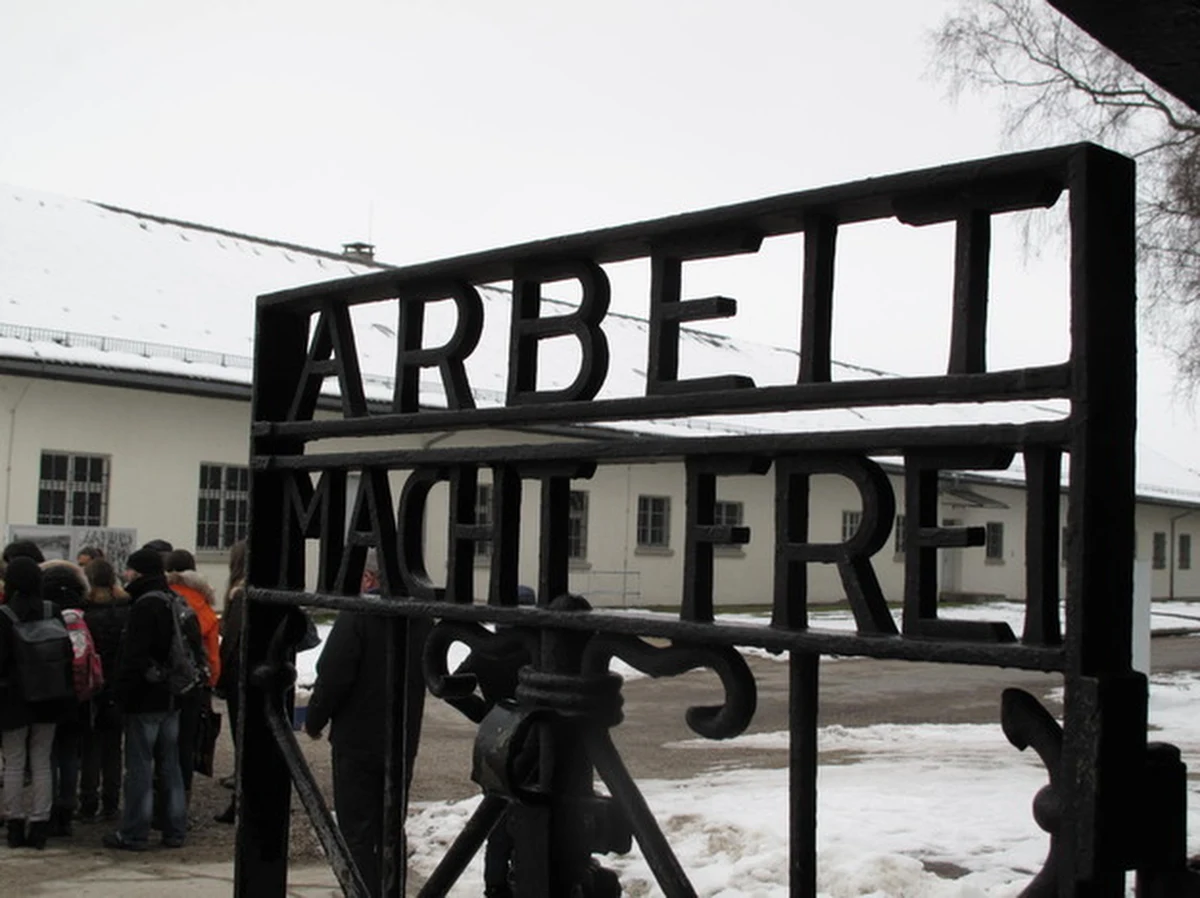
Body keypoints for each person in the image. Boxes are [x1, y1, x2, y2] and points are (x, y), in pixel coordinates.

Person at [304, 558, 429, 898]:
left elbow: (334, 673)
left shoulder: (358, 614)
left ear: (371, 577)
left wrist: (315, 720)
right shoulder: (420, 619)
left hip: (358, 737)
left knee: (357, 826)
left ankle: (362, 891)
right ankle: (391, 890)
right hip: (402, 737)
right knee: (390, 824)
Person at [102, 548, 186, 851]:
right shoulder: (173, 600)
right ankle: (175, 829)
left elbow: (133, 657)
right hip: (171, 695)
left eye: (129, 569)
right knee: (170, 765)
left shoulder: (143, 605)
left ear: (138, 572)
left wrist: (119, 695)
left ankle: (135, 831)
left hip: (144, 696)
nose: (126, 575)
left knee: (139, 765)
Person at [0, 558, 71, 849]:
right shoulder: (52, 610)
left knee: (14, 762)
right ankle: (40, 823)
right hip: (49, 694)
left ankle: (14, 823)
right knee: (42, 760)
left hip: (12, 697)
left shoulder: (4, 615)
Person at [163, 548, 219, 811]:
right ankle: (180, 803)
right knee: (186, 743)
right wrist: (210, 681)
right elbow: (212, 653)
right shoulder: (204, 605)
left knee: (160, 743)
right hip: (195, 683)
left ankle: (158, 801)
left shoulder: (164, 598)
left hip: (165, 681)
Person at [40, 561, 91, 837]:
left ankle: (47, 810)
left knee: (47, 755)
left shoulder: (44, 614)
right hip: (77, 695)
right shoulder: (82, 614)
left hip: (47, 692)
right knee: (70, 755)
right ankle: (67, 811)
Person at [79, 558, 130, 822]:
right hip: (118, 685)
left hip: (92, 685)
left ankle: (88, 800)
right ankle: (111, 801)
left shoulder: (85, 612)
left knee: (90, 745)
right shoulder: (127, 608)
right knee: (114, 747)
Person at [213, 539, 246, 824]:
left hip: (242, 678)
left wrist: (221, 677)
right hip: (258, 677)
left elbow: (233, 643)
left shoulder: (240, 596)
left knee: (244, 740)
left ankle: (242, 804)